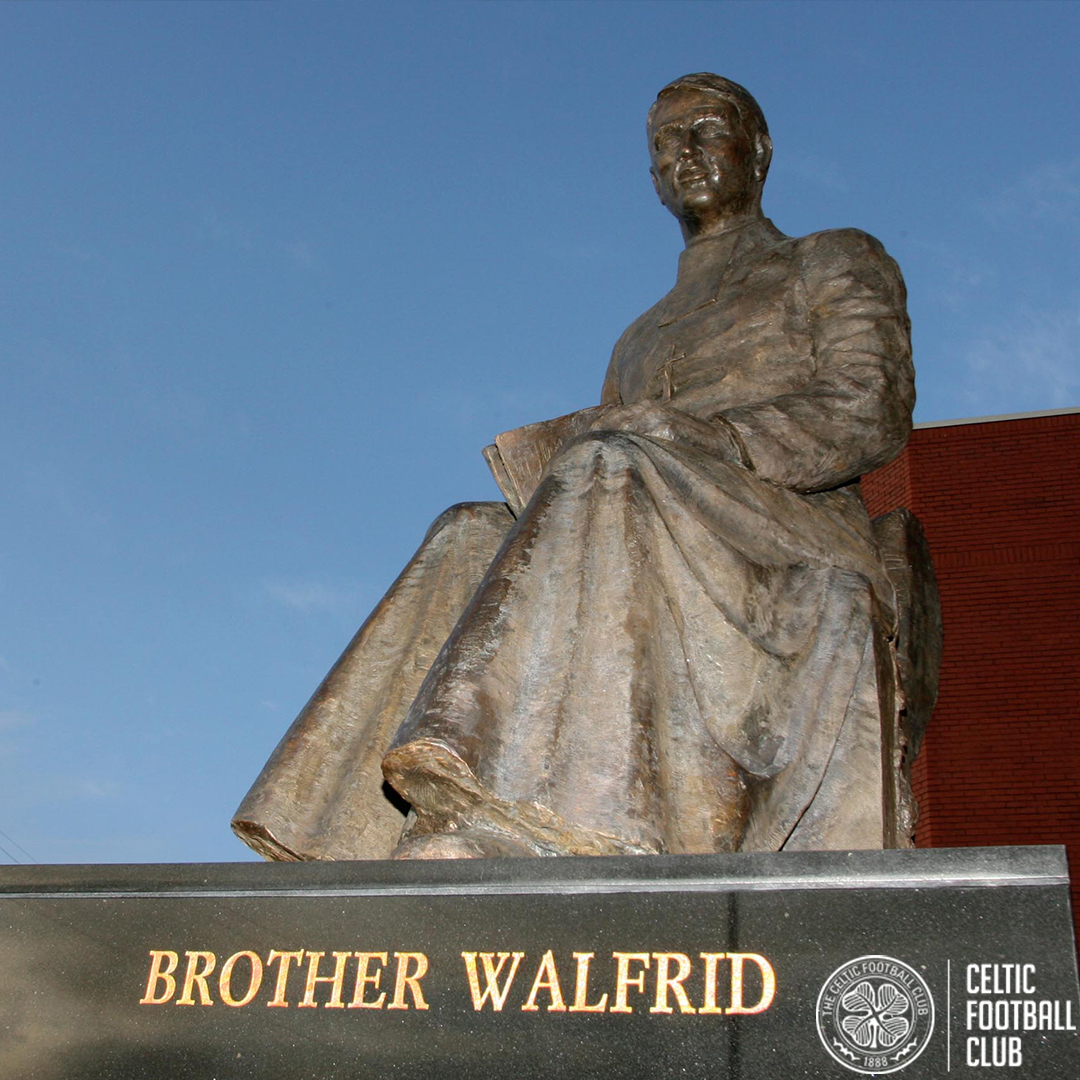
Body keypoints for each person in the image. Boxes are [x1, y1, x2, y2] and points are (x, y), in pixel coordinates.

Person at [233, 74, 914, 861]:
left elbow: (870, 409)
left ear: (757, 152)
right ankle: (356, 836)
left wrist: (712, 439)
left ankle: (545, 813)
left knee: (607, 460)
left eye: (705, 130)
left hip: (782, 528)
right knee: (467, 533)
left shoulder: (830, 258)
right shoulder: (640, 336)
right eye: (664, 143)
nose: (683, 153)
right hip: (642, 501)